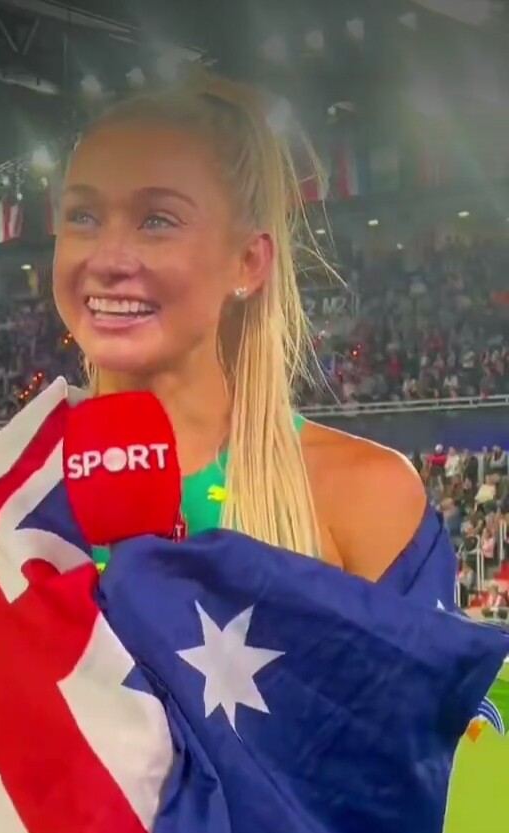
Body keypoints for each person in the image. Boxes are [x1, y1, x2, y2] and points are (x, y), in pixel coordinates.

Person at [53, 71, 427, 578]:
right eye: (83, 216)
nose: (107, 259)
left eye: (157, 220)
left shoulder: (367, 496)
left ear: (248, 263)